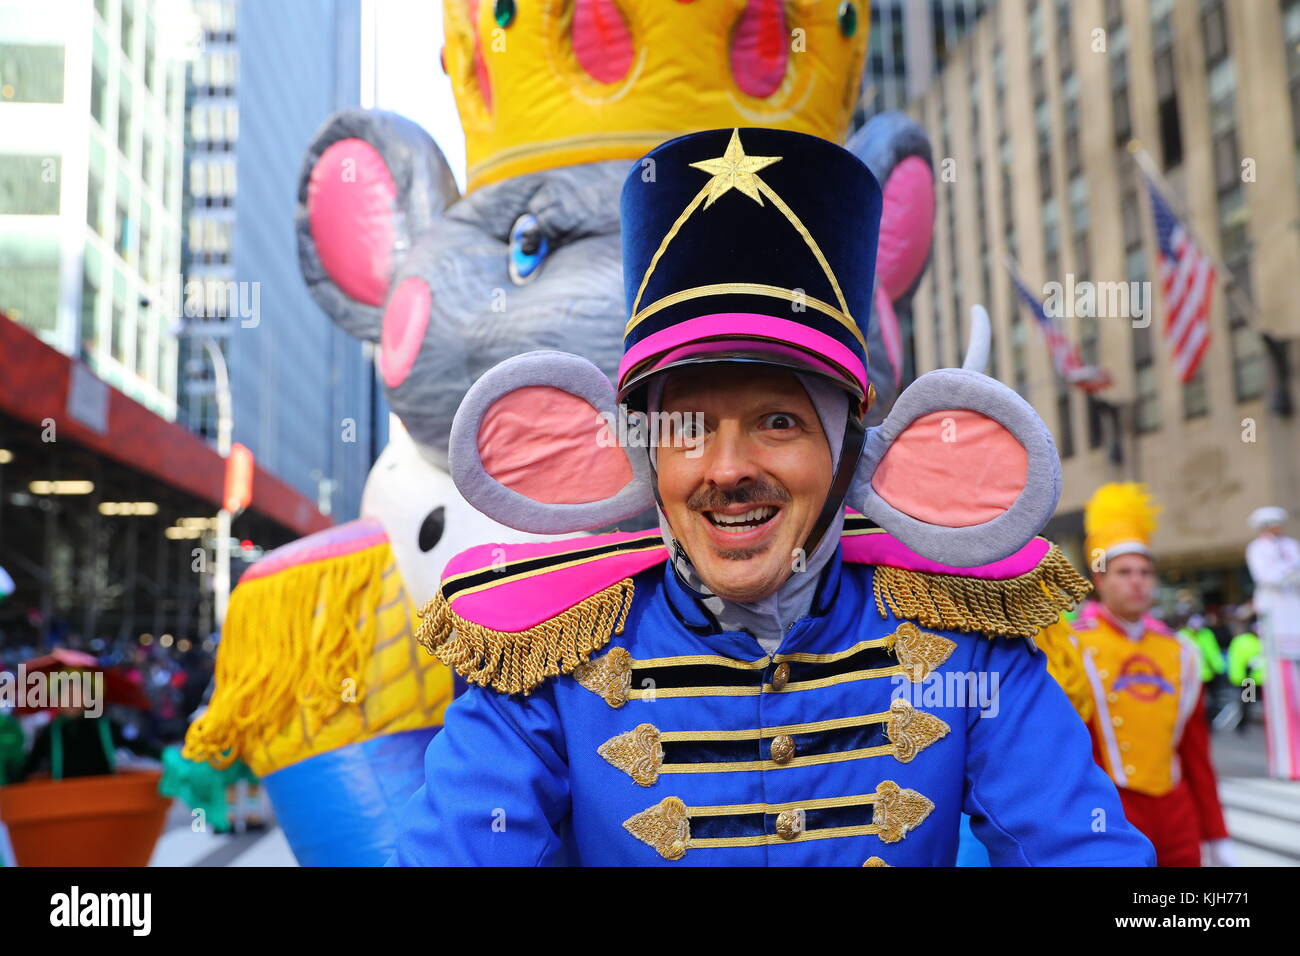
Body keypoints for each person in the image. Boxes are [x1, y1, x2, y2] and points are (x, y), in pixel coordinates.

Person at [389, 128, 1153, 866]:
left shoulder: (967, 641)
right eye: (687, 427)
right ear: (643, 453)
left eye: (779, 421)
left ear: (850, 451)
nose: (726, 469)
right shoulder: (543, 654)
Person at [1070, 483, 1233, 866]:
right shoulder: (1074, 649)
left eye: (1145, 572)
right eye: (1124, 571)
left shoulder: (1181, 652)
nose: (1137, 581)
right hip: (1109, 813)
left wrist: (1215, 833)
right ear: (1100, 581)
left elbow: (1196, 755)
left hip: (1177, 815)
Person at [1244, 506, 1300, 779]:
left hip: (1295, 624)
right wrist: (1288, 573)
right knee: (1282, 699)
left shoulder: (1291, 546)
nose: (1274, 529)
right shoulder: (1258, 549)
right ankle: (1287, 763)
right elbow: (1268, 576)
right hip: (1278, 633)